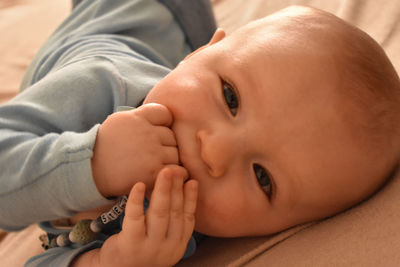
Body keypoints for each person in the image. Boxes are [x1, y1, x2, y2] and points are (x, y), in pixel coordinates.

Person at [0, 0, 399, 266]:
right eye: (230, 97)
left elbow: (53, 245)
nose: (216, 153)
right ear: (201, 55)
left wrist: (109, 260)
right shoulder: (99, 87)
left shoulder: (186, 230)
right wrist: (93, 162)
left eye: (262, 178)